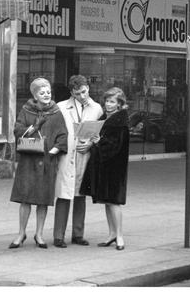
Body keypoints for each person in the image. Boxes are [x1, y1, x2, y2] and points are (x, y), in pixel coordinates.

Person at [9, 77, 68, 249]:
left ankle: (39, 234)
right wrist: (34, 127)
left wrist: (53, 151)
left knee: (43, 200)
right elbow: (17, 130)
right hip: (28, 160)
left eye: (48, 92)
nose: (46, 95)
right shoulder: (26, 110)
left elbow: (63, 136)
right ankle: (21, 233)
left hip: (47, 161)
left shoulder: (56, 112)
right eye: (42, 93)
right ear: (35, 95)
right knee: (25, 199)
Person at [53, 75, 103, 248]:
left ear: (88, 87)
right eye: (78, 93)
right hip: (67, 155)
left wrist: (90, 143)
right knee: (64, 194)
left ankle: (78, 234)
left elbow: (99, 132)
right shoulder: (61, 107)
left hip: (84, 154)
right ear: (71, 93)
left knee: (80, 194)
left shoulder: (96, 108)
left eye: (84, 92)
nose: (82, 96)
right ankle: (58, 236)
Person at [80, 87, 130, 250]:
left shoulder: (120, 122)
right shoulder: (105, 118)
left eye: (112, 102)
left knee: (114, 202)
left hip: (114, 167)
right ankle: (111, 234)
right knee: (107, 202)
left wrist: (98, 141)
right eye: (107, 101)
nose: (108, 105)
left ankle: (120, 236)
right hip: (104, 165)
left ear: (119, 104)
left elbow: (115, 146)